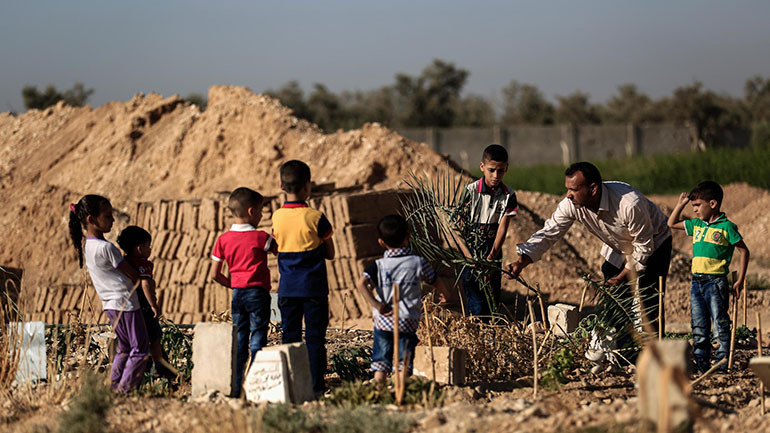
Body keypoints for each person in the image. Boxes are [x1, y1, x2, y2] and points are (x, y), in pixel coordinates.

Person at [508, 162, 672, 333]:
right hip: (619, 247)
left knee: (649, 301)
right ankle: (620, 351)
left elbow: (643, 247)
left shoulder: (629, 204)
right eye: (567, 189)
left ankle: (652, 351)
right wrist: (521, 262)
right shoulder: (571, 204)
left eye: (574, 190)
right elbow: (549, 233)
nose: (568, 195)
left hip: (654, 243)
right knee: (615, 303)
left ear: (593, 189)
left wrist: (622, 277)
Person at [68, 195, 148, 393]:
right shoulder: (107, 248)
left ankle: (112, 387)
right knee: (140, 349)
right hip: (126, 302)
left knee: (125, 348)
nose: (112, 220)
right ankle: (126, 390)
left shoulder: (88, 247)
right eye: (107, 216)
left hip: (110, 305)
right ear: (91, 220)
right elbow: (132, 274)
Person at [356, 214, 451, 382]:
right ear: (408, 236)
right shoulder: (418, 262)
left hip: (383, 322)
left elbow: (361, 284)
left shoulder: (378, 265)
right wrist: (445, 294)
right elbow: (435, 280)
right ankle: (401, 390)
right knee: (403, 362)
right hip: (407, 321)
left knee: (381, 362)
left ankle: (379, 390)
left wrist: (377, 305)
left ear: (381, 242)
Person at [668, 181, 750, 373]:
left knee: (720, 325)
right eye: (693, 206)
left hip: (716, 282)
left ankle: (721, 364)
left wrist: (739, 280)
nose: (694, 210)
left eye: (697, 205)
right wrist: (681, 203)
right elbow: (670, 223)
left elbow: (744, 252)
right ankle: (702, 365)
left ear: (713, 204)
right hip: (696, 282)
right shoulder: (696, 225)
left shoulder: (726, 227)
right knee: (698, 326)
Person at [271, 160, 334, 397]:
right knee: (316, 338)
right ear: (308, 186)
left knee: (290, 336)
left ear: (281, 186)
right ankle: (316, 386)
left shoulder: (277, 217)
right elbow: (331, 253)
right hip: (314, 289)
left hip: (287, 289)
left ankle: (292, 385)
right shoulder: (316, 217)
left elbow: (277, 247)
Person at [211, 187, 277, 398]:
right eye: (260, 211)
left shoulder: (223, 240)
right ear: (251, 212)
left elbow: (214, 274)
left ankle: (236, 388)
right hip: (258, 293)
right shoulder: (261, 237)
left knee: (240, 339)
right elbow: (280, 250)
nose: (261, 215)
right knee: (258, 337)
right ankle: (256, 386)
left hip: (238, 294)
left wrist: (233, 284)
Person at [460, 144, 518, 317]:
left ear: (506, 169)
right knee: (475, 304)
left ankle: (489, 338)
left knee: (491, 301)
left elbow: (502, 228)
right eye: (491, 170)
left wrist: (491, 258)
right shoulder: (470, 192)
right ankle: (476, 337)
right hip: (470, 253)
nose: (495, 175)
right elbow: (458, 228)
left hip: (492, 251)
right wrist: (470, 258)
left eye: (500, 171)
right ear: (482, 167)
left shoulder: (509, 195)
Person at [116, 225, 175, 380]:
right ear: (140, 248)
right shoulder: (144, 264)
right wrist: (153, 304)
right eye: (149, 246)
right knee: (154, 335)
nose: (150, 250)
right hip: (143, 306)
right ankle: (157, 363)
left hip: (128, 308)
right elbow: (145, 284)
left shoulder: (124, 262)